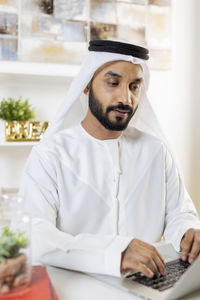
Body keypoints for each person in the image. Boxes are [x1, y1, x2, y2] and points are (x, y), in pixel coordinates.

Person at [21, 39, 200, 279]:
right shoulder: (49, 156)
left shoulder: (156, 151)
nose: (125, 99)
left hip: (147, 284)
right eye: (113, 83)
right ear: (86, 85)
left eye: (134, 87)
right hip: (75, 287)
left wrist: (189, 232)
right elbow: (35, 235)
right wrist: (115, 253)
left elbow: (180, 213)